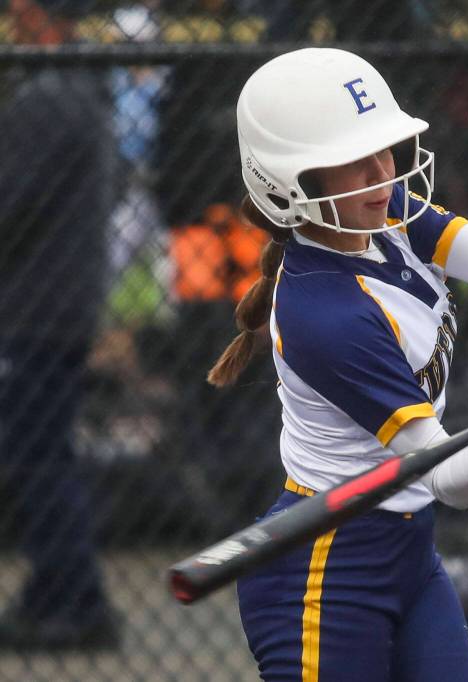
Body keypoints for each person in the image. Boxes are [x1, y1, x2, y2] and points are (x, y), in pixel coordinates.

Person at [210, 48, 468, 681]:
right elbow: (450, 477)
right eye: (355, 160)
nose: (383, 173)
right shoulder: (328, 315)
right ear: (291, 181)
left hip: (406, 549)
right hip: (325, 574)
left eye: (384, 150)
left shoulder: (387, 218)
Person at [0, 0, 119, 649]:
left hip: (34, 309)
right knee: (42, 451)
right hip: (59, 303)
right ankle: (55, 594)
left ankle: (74, 603)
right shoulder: (81, 85)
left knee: (36, 457)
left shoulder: (47, 96)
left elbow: (7, 202)